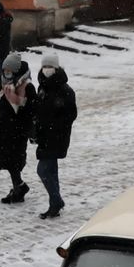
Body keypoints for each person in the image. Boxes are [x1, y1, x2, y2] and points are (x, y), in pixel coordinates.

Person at [32, 53, 77, 219]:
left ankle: (56, 201)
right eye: (44, 66)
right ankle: (55, 203)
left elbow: (70, 115)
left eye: (50, 67)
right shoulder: (42, 87)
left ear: (56, 68)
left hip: (57, 136)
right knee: (51, 170)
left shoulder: (65, 90)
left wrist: (54, 125)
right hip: (44, 135)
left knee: (43, 170)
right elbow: (38, 109)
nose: (46, 70)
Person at [0, 53, 37, 204]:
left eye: (9, 70)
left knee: (14, 160)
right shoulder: (6, 84)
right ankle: (18, 187)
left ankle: (19, 187)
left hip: (18, 131)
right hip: (5, 129)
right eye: (4, 70)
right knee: (7, 160)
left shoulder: (27, 86)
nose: (6, 73)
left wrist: (17, 102)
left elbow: (30, 110)